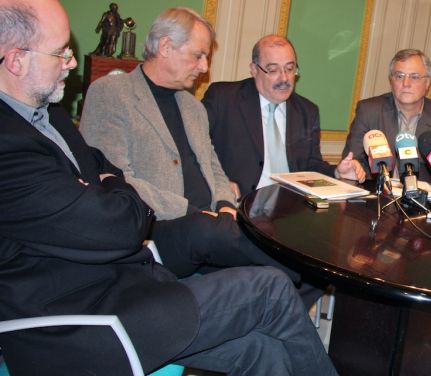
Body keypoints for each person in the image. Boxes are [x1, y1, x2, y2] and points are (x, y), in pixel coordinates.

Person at [0, 1, 420, 376]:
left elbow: (110, 175)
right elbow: (121, 221)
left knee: (263, 346)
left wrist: (113, 186)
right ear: (16, 60)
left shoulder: (48, 117)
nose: (72, 62)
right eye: (60, 52)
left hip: (126, 286)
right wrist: (115, 188)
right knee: (271, 286)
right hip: (78, 327)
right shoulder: (10, 143)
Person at [79, 8, 319, 306]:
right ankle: (307, 270)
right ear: (165, 47)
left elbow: (214, 168)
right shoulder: (112, 93)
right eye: (198, 55)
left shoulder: (192, 108)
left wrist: (224, 205)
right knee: (208, 231)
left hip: (212, 227)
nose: (204, 67)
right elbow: (115, 179)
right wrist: (192, 210)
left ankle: (305, 275)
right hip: (158, 229)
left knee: (278, 272)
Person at [203, 34, 365, 196]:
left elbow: (311, 165)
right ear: (254, 69)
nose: (285, 78)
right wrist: (220, 183)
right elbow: (195, 148)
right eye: (273, 70)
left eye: (290, 68)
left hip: (290, 208)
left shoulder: (307, 111)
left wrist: (337, 173)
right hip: (239, 205)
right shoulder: (224, 98)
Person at [342, 48, 431, 183]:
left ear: (427, 83)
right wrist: (355, 169)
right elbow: (353, 162)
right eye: (399, 76)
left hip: (422, 201)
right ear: (391, 80)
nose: (406, 84)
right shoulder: (368, 111)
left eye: (414, 77)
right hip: (375, 197)